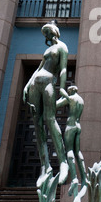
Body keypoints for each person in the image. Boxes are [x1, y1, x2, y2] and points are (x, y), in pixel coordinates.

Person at [23, 20, 69, 186]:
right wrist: (27, 86)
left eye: (49, 32)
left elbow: (63, 68)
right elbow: (38, 68)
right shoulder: (47, 49)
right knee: (37, 123)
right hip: (36, 83)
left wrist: (62, 88)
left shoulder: (62, 47)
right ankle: (45, 165)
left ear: (55, 32)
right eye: (46, 34)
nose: (47, 36)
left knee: (50, 119)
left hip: (49, 81)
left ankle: (63, 162)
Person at [56, 85, 87, 202]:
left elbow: (56, 105)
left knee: (69, 151)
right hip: (78, 126)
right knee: (77, 151)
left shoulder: (71, 99)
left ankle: (74, 178)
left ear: (71, 91)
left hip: (70, 125)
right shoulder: (80, 100)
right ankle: (84, 177)